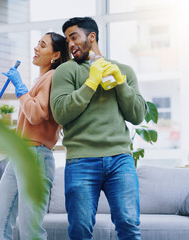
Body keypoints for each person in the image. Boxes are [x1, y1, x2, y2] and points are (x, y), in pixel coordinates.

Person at [49, 17, 146, 239]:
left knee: (129, 225)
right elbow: (61, 112)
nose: (70, 44)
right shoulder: (66, 71)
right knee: (80, 230)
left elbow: (138, 115)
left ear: (91, 37)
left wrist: (121, 84)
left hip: (120, 159)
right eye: (67, 40)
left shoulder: (124, 70)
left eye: (74, 37)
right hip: (81, 160)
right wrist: (90, 84)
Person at [0, 32, 70, 239]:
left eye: (42, 45)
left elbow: (35, 115)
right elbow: (25, 132)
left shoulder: (53, 78)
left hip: (36, 158)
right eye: (37, 43)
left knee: (30, 230)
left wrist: (19, 86)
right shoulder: (39, 81)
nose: (35, 48)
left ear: (56, 55)